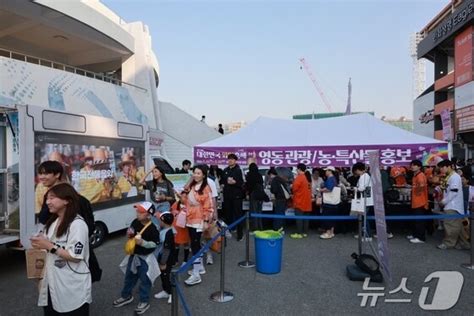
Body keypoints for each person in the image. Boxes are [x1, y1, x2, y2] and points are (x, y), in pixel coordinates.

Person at [31, 183, 92, 315]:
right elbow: (48, 247)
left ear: (67, 200)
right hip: (52, 282)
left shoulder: (77, 224)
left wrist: (49, 246)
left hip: (71, 286)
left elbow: (75, 256)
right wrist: (40, 242)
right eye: (47, 198)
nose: (48, 202)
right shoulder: (53, 222)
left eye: (52, 198)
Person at [113, 202, 160, 315]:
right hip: (134, 256)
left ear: (149, 215)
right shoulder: (135, 222)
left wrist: (143, 243)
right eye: (137, 210)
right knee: (129, 277)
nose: (137, 213)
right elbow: (131, 232)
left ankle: (144, 301)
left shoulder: (153, 228)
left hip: (145, 258)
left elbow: (155, 244)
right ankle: (126, 296)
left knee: (145, 280)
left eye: (140, 211)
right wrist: (129, 234)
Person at [183, 165, 213, 286]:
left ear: (204, 175)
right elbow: (185, 195)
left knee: (195, 245)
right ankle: (199, 267)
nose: (195, 175)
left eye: (198, 173)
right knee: (194, 243)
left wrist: (206, 221)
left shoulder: (206, 188)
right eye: (194, 173)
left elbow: (209, 206)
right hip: (190, 217)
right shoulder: (193, 185)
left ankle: (196, 274)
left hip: (199, 218)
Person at [437, 160, 470, 250]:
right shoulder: (450, 176)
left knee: (450, 225)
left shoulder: (454, 177)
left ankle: (448, 243)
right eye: (440, 168)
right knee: (458, 226)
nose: (441, 170)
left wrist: (444, 201)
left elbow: (453, 192)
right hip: (453, 204)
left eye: (442, 167)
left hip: (452, 204)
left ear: (449, 166)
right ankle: (464, 243)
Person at [220, 153, 245, 241]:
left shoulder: (238, 170)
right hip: (227, 196)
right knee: (227, 215)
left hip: (237, 196)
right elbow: (222, 181)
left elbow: (242, 183)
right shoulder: (225, 170)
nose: (230, 160)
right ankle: (228, 231)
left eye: (232, 159)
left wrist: (235, 182)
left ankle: (240, 234)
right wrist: (222, 184)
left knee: (238, 215)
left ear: (235, 161)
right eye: (229, 159)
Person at [154, 212, 176, 305]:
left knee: (166, 275)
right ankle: (165, 291)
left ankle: (171, 293)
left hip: (167, 259)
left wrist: (163, 262)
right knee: (163, 275)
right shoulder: (164, 230)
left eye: (160, 220)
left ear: (164, 221)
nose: (159, 221)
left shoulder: (169, 233)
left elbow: (167, 249)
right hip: (162, 257)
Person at [408, 160, 429, 244]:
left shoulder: (420, 175)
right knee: (415, 220)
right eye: (412, 165)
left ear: (419, 167)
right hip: (415, 201)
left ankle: (421, 237)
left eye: (414, 165)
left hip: (420, 201)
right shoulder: (415, 175)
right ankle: (415, 234)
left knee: (419, 220)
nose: (412, 166)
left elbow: (421, 186)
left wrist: (416, 191)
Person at [352, 162, 374, 240]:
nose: (355, 173)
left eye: (355, 171)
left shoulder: (363, 176)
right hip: (367, 200)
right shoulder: (366, 175)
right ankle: (363, 234)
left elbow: (361, 188)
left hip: (365, 201)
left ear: (358, 170)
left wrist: (354, 188)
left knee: (363, 218)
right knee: (362, 217)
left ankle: (368, 235)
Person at [290, 163, 312, 239]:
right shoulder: (307, 177)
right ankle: (305, 233)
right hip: (307, 201)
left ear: (299, 169)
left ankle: (299, 233)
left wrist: (291, 186)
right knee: (306, 218)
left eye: (297, 169)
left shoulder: (299, 177)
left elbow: (294, 188)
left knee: (299, 218)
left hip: (299, 201)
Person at [319, 166, 339, 239]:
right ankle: (331, 232)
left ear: (330, 171)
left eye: (326, 170)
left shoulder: (330, 179)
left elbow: (329, 189)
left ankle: (328, 233)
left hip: (329, 202)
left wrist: (320, 190)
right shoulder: (334, 179)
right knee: (332, 218)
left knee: (327, 217)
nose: (325, 172)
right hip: (333, 202)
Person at [246, 163, 264, 231]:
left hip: (253, 195)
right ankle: (260, 227)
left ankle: (255, 228)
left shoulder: (249, 175)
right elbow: (262, 184)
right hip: (261, 195)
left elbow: (248, 186)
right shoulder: (259, 175)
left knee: (254, 212)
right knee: (259, 212)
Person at [269, 168, 288, 232]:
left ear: (271, 174)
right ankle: (282, 227)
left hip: (279, 199)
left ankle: (277, 228)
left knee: (278, 213)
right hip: (284, 198)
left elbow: (274, 190)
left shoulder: (274, 180)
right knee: (282, 213)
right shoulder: (280, 179)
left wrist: (271, 189)